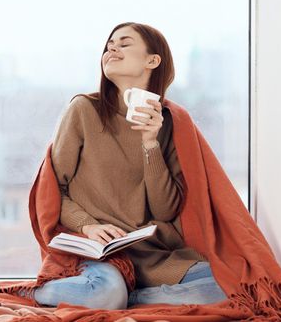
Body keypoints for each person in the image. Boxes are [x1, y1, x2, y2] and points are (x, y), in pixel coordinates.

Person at [17, 22, 228, 309]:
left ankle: (129, 299)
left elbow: (166, 209)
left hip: (149, 253)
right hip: (97, 253)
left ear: (152, 61)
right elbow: (54, 191)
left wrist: (150, 142)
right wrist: (89, 226)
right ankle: (32, 293)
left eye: (124, 43)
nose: (111, 48)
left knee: (227, 283)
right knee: (102, 292)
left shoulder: (171, 124)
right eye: (109, 45)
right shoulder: (83, 110)